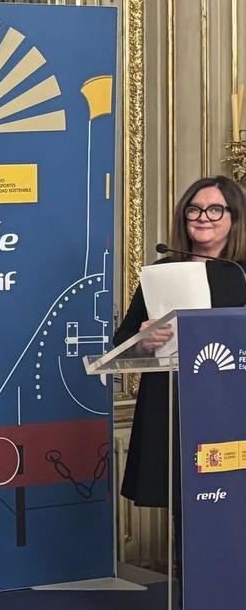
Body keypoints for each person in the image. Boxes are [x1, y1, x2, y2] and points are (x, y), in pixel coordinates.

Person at [113, 175, 246, 597]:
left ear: (234, 217)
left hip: (232, 409)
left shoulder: (242, 273)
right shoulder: (164, 271)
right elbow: (124, 341)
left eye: (214, 209)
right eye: (194, 209)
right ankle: (194, 593)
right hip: (175, 408)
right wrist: (145, 338)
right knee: (188, 510)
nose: (202, 218)